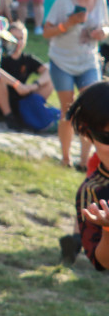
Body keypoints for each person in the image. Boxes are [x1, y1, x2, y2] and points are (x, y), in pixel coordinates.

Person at [43, 0, 109, 168]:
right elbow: (47, 32)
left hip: (88, 60)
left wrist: (103, 33)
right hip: (62, 60)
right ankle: (65, 157)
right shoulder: (64, 0)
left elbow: (107, 27)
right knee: (68, 110)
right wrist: (68, 24)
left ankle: (85, 161)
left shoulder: (100, 1)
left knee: (93, 111)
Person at [66, 82, 109, 270]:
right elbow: (102, 263)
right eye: (107, 138)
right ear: (86, 133)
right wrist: (107, 229)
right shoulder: (92, 192)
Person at [0, 20, 52, 128]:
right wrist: (17, 85)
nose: (18, 41)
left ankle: (31, 112)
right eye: (14, 37)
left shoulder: (27, 59)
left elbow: (49, 70)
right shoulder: (0, 56)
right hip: (0, 101)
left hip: (21, 99)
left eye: (21, 38)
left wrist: (34, 85)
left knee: (50, 81)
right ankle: (9, 117)